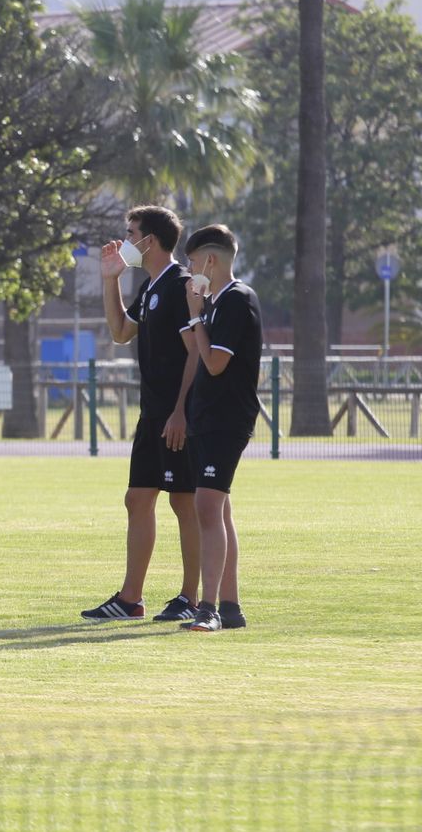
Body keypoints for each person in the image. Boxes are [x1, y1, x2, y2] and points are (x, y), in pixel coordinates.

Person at [80, 206, 202, 623]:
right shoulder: (151, 287)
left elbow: (195, 353)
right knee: (137, 499)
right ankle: (130, 599)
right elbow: (120, 333)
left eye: (131, 233)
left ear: (151, 240)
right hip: (152, 414)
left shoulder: (180, 284)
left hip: (176, 415)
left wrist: (181, 411)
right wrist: (110, 279)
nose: (126, 240)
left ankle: (190, 597)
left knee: (184, 502)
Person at [179, 224, 263, 633]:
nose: (189, 269)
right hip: (206, 416)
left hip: (227, 419)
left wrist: (196, 315)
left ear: (210, 261)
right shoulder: (213, 302)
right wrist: (195, 314)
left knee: (207, 508)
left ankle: (208, 607)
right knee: (219, 508)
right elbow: (196, 353)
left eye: (192, 262)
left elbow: (214, 363)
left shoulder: (236, 299)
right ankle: (230, 607)